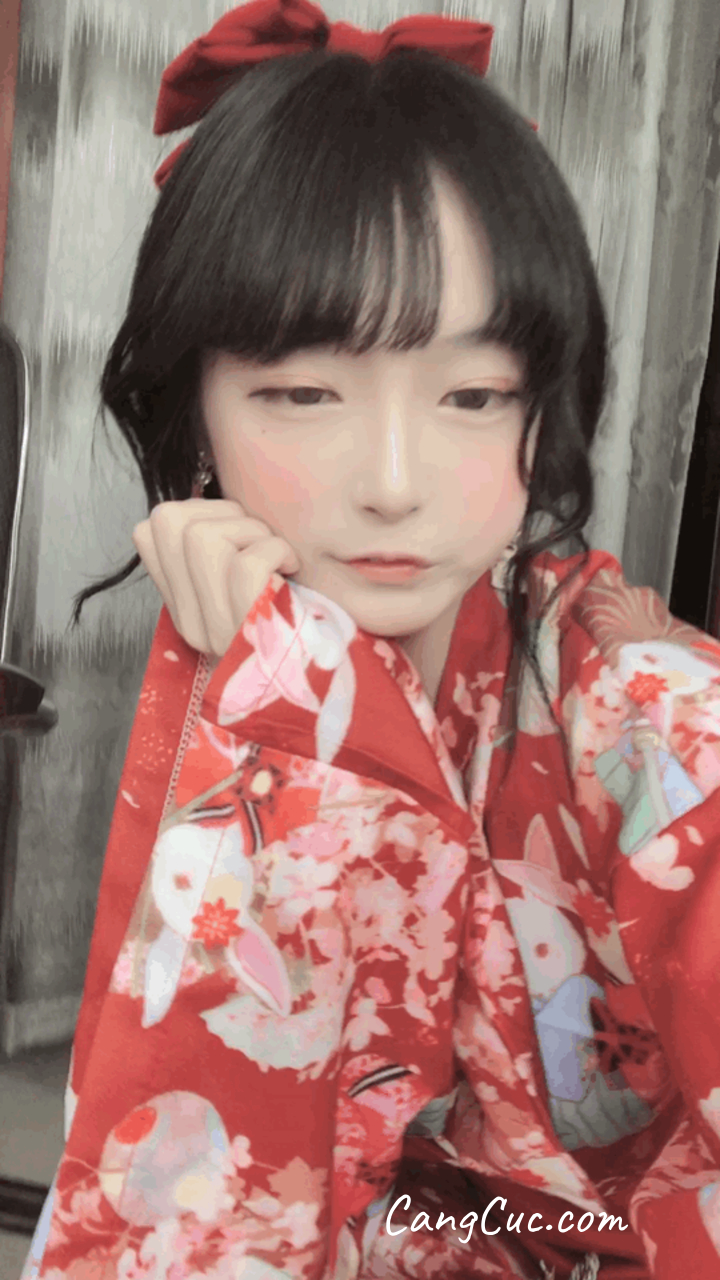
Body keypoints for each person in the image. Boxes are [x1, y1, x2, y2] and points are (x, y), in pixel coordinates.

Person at [22, 3, 720, 1277]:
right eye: (303, 390)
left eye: (474, 394)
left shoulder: (641, 697)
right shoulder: (255, 646)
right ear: (195, 409)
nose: (394, 483)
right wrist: (281, 684)